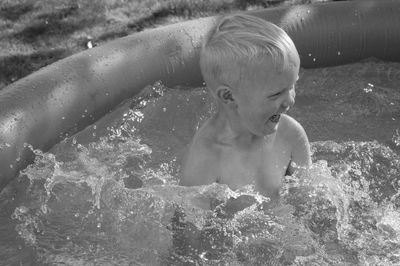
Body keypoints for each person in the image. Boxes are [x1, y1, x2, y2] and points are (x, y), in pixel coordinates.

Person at [180, 13, 311, 199]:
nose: (290, 100)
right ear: (229, 96)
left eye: (292, 86)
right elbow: (188, 226)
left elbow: (311, 202)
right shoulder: (205, 159)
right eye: (276, 94)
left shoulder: (291, 134)